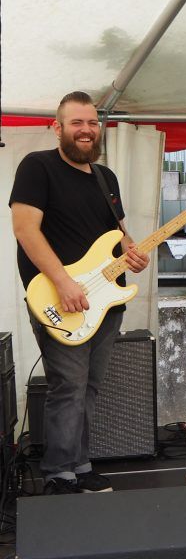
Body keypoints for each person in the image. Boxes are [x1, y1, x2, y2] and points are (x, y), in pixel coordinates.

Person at [9, 91, 150, 495]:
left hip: (105, 300)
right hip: (59, 297)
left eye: (92, 122)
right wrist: (63, 283)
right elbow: (25, 231)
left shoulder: (106, 178)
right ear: (57, 128)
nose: (86, 130)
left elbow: (118, 233)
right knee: (68, 387)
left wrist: (133, 253)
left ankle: (80, 466)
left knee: (88, 387)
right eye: (76, 123)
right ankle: (58, 474)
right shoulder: (37, 167)